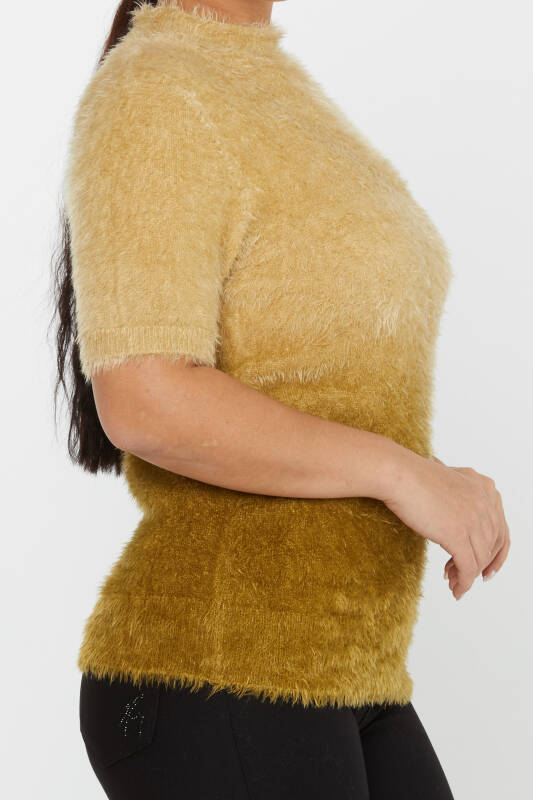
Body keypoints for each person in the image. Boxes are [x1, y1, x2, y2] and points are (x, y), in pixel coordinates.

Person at [51, 1, 510, 797]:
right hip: (218, 668)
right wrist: (401, 474)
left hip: (348, 669)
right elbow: (145, 397)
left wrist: (431, 478)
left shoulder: (270, 87)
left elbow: (310, 377)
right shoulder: (157, 85)